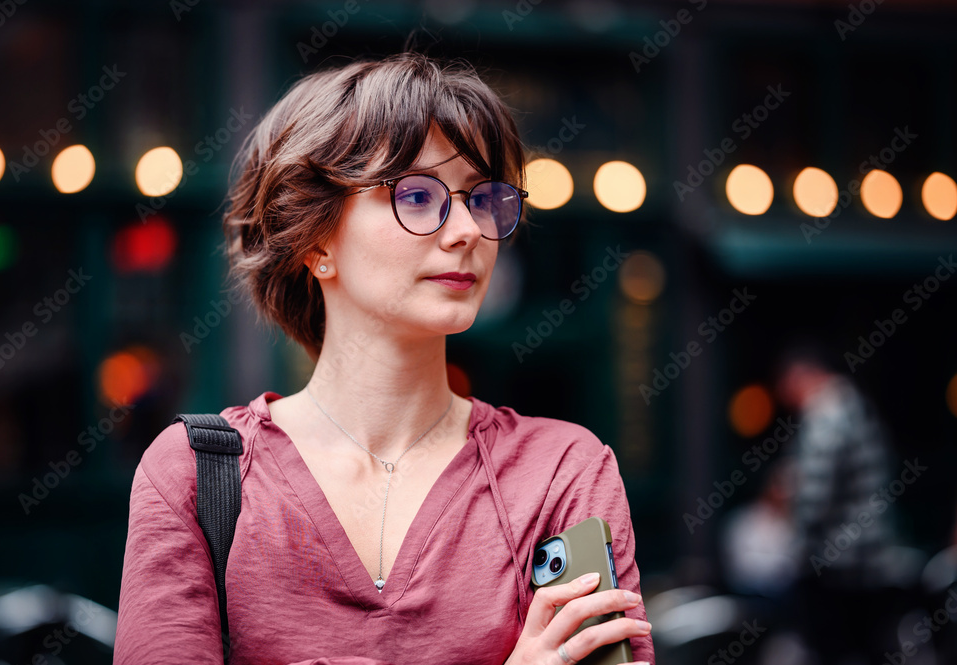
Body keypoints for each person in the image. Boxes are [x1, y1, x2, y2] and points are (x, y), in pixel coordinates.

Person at [113, 51, 654, 665]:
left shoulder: (560, 474)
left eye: (484, 199)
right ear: (316, 238)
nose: (468, 231)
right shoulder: (195, 474)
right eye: (418, 196)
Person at [773, 344, 898, 665]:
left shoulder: (827, 411)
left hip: (839, 561)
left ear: (801, 376)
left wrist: (798, 548)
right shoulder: (855, 404)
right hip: (870, 555)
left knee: (833, 649)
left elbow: (816, 496)